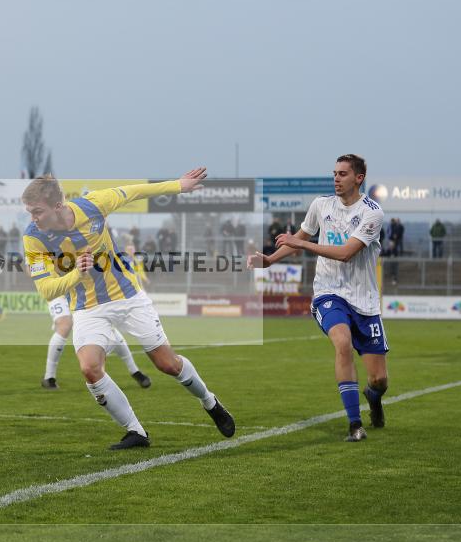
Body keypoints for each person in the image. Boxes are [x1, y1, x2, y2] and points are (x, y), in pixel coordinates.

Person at [22, 168, 234, 449]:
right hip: (87, 307)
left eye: (37, 212)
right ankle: (136, 432)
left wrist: (178, 186)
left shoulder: (93, 204)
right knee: (89, 368)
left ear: (58, 206)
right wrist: (76, 275)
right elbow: (45, 289)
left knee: (167, 364)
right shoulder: (33, 237)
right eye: (30, 213)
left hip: (129, 298)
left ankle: (210, 402)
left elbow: (135, 191)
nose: (33, 219)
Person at [251, 154, 389, 443]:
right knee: (343, 344)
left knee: (379, 380)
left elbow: (346, 253)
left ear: (359, 178)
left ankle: (373, 398)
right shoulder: (321, 205)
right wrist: (270, 260)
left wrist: (301, 243)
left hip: (364, 300)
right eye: (334, 173)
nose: (336, 178)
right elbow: (302, 234)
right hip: (329, 292)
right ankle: (355, 424)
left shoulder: (372, 213)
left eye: (343, 174)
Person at [41, 293, 151, 391]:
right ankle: (49, 377)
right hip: (59, 293)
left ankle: (135, 371)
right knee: (65, 325)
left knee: (108, 327)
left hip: (84, 292)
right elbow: (30, 270)